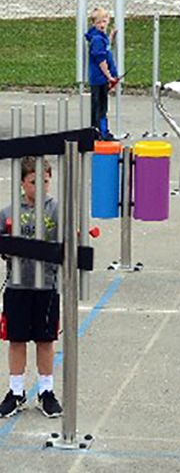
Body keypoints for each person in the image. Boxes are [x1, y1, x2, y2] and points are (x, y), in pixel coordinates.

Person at [0, 157, 63, 418]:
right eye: (34, 182)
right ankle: (16, 391)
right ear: (23, 183)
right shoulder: (8, 212)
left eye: (45, 182)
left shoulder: (57, 210)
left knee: (45, 339)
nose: (41, 188)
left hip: (47, 286)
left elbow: (67, 240)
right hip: (18, 284)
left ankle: (46, 391)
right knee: (16, 339)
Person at [85, 7, 117, 140]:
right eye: (99, 22)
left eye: (104, 21)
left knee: (101, 106)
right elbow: (101, 60)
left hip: (101, 78)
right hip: (99, 79)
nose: (102, 25)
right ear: (93, 23)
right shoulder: (97, 39)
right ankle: (100, 133)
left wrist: (111, 36)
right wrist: (109, 76)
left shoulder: (100, 36)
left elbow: (106, 47)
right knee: (100, 107)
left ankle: (100, 131)